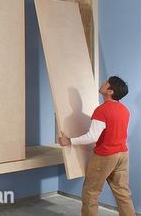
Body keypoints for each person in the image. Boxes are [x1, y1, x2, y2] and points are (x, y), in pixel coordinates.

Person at [58, 76, 136, 216]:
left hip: (105, 156)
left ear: (110, 91)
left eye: (106, 83)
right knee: (123, 193)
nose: (102, 84)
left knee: (91, 193)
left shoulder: (102, 110)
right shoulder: (124, 109)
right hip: (122, 154)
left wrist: (69, 141)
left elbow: (92, 136)